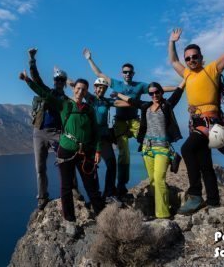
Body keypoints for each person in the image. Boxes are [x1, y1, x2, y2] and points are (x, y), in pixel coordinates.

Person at [168, 8, 224, 214]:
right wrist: (172, 42)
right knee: (205, 163)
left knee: (186, 150)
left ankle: (195, 194)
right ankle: (214, 201)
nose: (191, 61)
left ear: (201, 57)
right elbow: (173, 61)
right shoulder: (187, 74)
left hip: (211, 123)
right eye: (188, 58)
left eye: (194, 57)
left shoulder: (211, 69)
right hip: (197, 123)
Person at [83, 49, 175, 198]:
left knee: (149, 142)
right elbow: (99, 75)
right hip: (120, 123)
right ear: (121, 73)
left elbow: (159, 89)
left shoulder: (140, 86)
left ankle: (159, 169)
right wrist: (89, 59)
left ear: (133, 73)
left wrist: (179, 87)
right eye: (125, 72)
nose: (127, 74)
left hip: (135, 122)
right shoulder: (116, 84)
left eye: (130, 72)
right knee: (124, 154)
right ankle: (121, 185)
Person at [20, 70, 105, 225]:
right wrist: (27, 80)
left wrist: (97, 150)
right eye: (78, 89)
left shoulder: (89, 110)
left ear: (86, 92)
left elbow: (96, 132)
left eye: (84, 90)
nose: (80, 92)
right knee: (65, 187)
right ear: (73, 89)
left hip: (85, 152)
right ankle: (70, 221)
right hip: (66, 150)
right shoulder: (64, 104)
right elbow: (43, 93)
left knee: (91, 187)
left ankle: (103, 218)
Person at [116, 80, 185, 219]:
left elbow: (178, 92)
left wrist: (186, 77)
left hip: (163, 149)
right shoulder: (145, 106)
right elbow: (131, 100)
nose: (154, 95)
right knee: (153, 181)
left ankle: (163, 214)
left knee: (159, 179)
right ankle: (160, 208)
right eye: (151, 93)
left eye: (157, 92)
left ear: (161, 92)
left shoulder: (167, 105)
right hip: (147, 148)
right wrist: (117, 94)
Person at [27, 48, 82, 210]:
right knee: (40, 168)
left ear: (64, 83)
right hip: (39, 133)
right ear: (54, 81)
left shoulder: (66, 100)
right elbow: (36, 79)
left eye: (61, 80)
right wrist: (32, 59)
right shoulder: (46, 92)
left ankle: (73, 190)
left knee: (67, 161)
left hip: (57, 133)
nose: (58, 82)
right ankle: (42, 197)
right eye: (56, 80)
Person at [68, 77, 129, 200]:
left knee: (111, 163)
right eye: (99, 87)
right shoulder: (90, 98)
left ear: (106, 89)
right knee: (91, 167)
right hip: (91, 139)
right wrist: (63, 76)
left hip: (104, 138)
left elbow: (127, 103)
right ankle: (95, 196)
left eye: (103, 87)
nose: (101, 89)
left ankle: (109, 193)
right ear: (95, 88)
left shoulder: (107, 101)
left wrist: (118, 95)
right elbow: (74, 85)